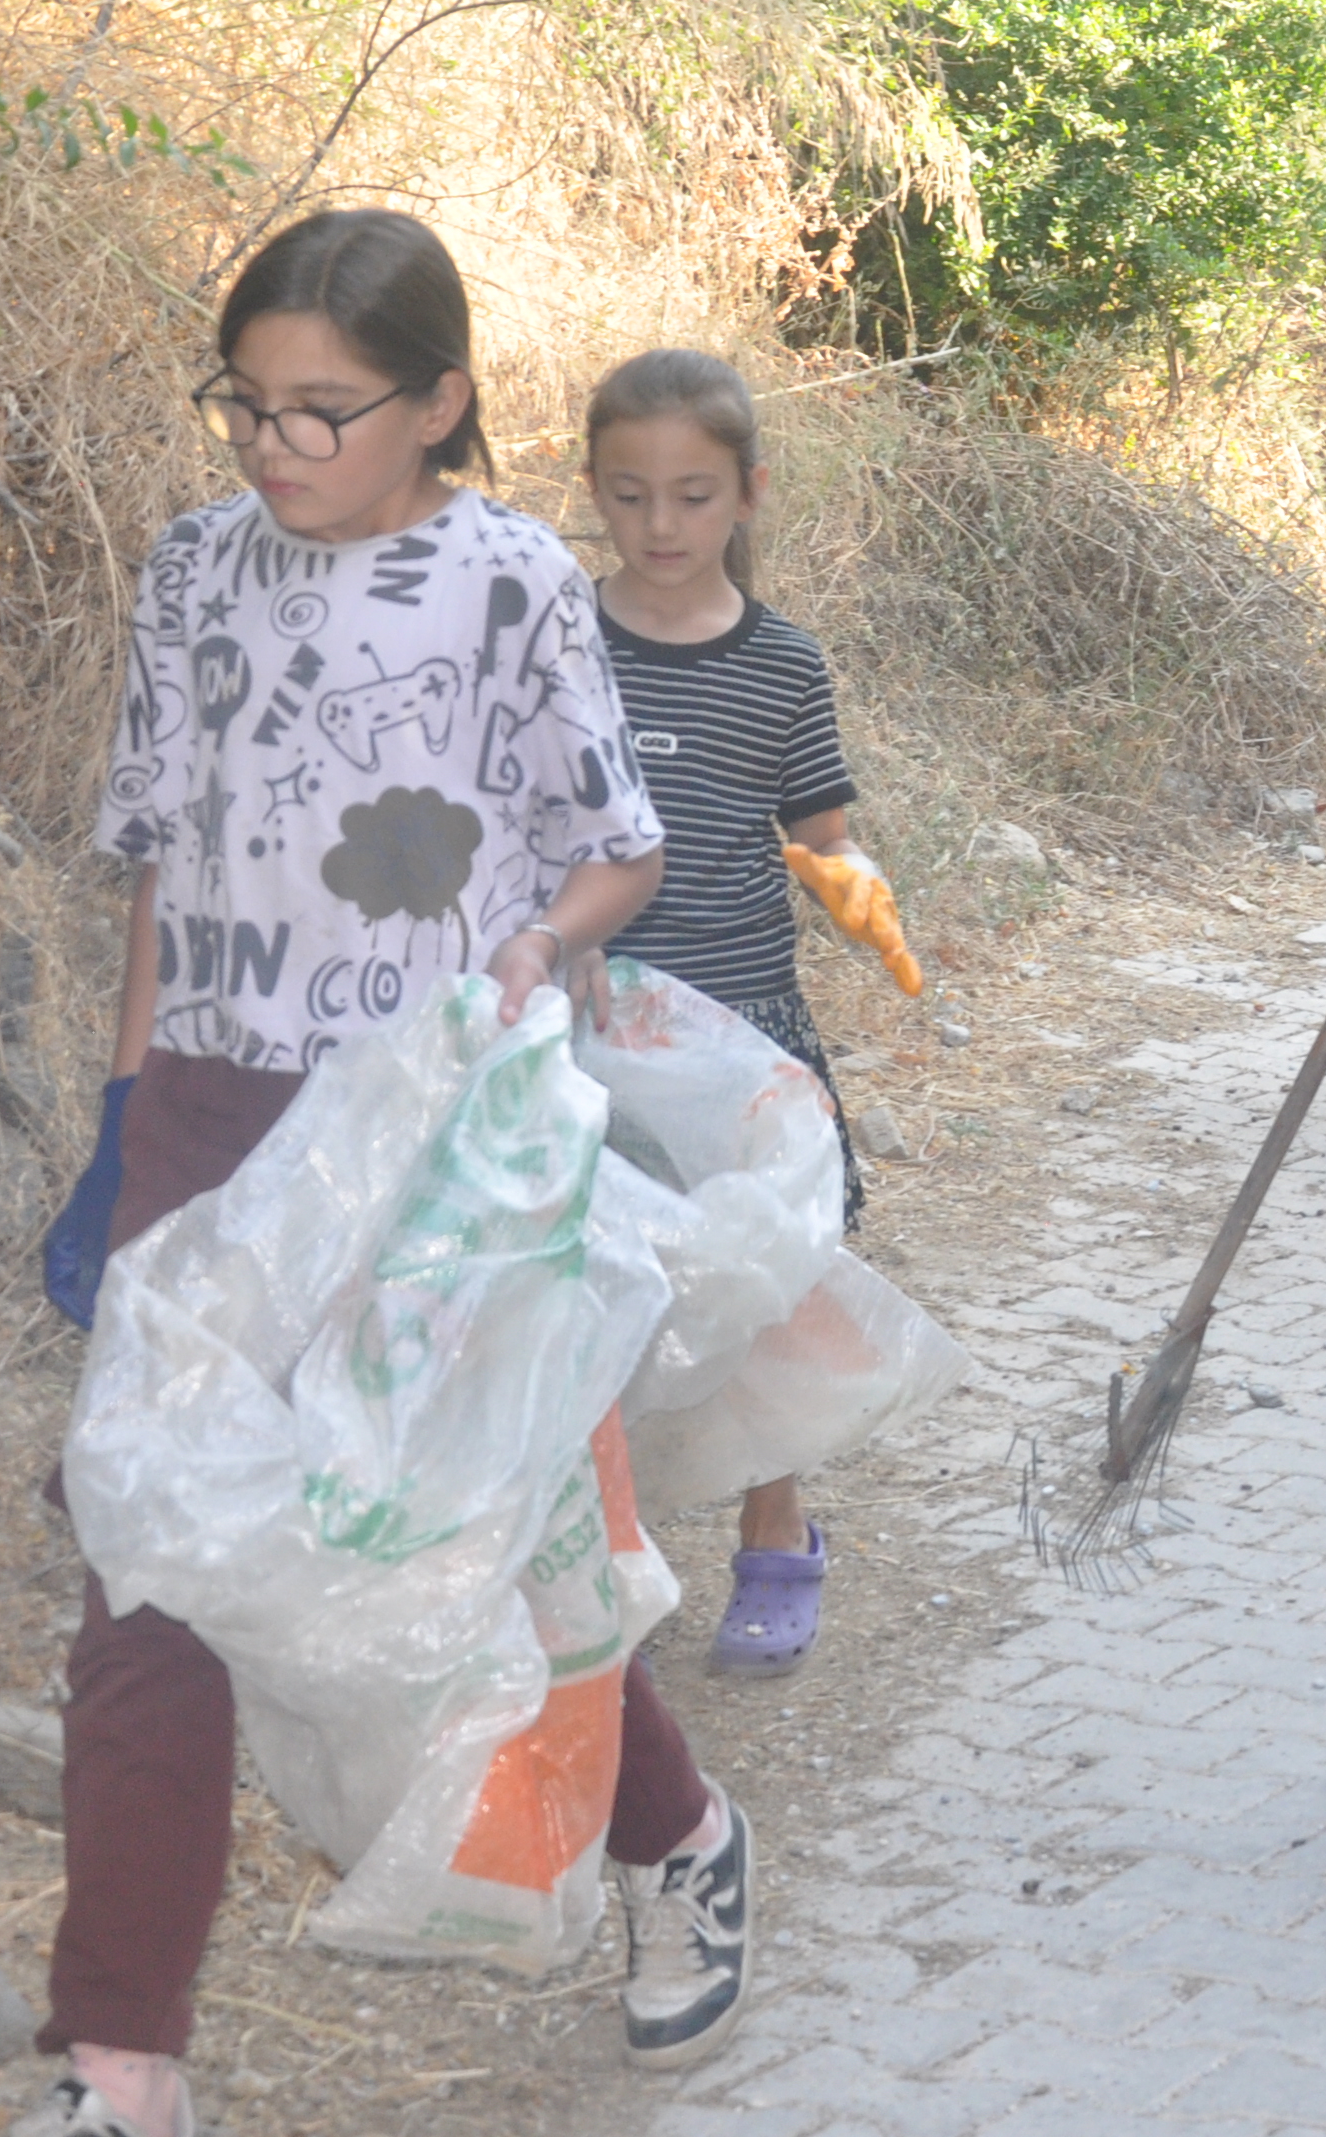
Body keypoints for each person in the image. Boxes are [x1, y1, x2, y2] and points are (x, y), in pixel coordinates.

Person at [42, 212, 752, 2137]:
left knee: (480, 1559)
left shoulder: (511, 576)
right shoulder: (193, 566)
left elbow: (617, 846)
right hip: (206, 1111)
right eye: (247, 406)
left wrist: (536, 949)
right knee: (151, 1566)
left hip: (427, 1149)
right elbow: (163, 861)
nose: (275, 447)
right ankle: (123, 2055)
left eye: (321, 410)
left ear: (438, 401)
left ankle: (676, 1836)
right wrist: (126, 1128)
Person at [581, 347, 889, 1677]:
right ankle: (599, 1560)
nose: (661, 528)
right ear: (593, 490)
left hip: (747, 1029)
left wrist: (858, 894)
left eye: (694, 498)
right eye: (632, 496)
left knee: (767, 1296)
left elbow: (825, 836)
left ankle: (779, 1534)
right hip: (597, 1035)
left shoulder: (782, 667)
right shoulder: (557, 643)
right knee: (598, 1296)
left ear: (748, 495)